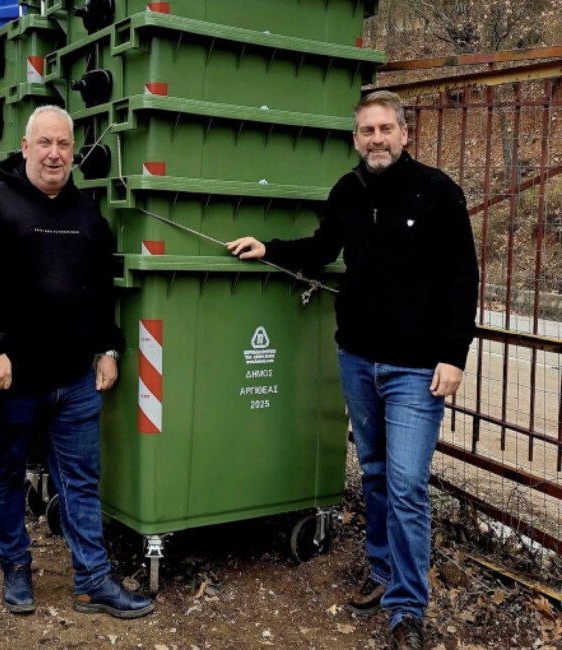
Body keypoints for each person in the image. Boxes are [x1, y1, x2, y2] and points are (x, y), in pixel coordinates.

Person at [227, 90, 478, 650]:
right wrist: (268, 246)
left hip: (417, 369)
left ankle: (407, 608)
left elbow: (465, 277)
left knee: (408, 484)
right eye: (367, 131)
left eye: (387, 129)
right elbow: (321, 246)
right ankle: (384, 571)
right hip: (357, 359)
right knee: (374, 472)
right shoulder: (348, 191)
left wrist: (454, 355)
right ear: (356, 138)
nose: (377, 139)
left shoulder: (438, 192)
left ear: (405, 134)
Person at [0, 105, 154, 619]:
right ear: (24, 147)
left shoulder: (85, 213)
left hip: (75, 381)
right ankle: (16, 568)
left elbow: (100, 290)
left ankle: (92, 581)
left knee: (82, 478)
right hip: (14, 379)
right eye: (45, 143)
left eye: (64, 144)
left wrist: (108, 348)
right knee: (7, 472)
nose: (55, 154)